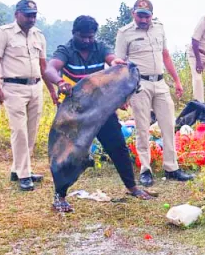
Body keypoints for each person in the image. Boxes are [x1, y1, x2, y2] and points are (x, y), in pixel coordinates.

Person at [44, 15, 157, 212]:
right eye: (83, 37)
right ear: (74, 33)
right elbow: (50, 68)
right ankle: (59, 196)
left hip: (99, 109)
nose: (88, 40)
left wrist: (116, 63)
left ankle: (132, 187)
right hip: (74, 112)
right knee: (67, 154)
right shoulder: (66, 50)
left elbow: (112, 60)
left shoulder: (100, 47)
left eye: (91, 36)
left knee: (118, 146)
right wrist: (60, 83)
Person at [116, 0, 193, 186]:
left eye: (147, 16)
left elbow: (165, 55)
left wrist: (176, 80)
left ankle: (171, 167)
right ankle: (145, 169)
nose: (143, 20)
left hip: (160, 82)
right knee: (142, 128)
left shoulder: (159, 28)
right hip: (139, 84)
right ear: (133, 14)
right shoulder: (124, 33)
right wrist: (122, 93)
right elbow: (119, 64)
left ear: (152, 15)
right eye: (140, 16)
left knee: (168, 125)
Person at [0, 0, 59, 191]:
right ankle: (24, 174)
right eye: (27, 15)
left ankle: (18, 169)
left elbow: (43, 66)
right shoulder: (3, 33)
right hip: (13, 88)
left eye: (34, 15)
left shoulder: (38, 35)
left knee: (31, 131)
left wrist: (51, 90)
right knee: (19, 131)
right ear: (16, 14)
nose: (31, 19)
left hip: (35, 87)